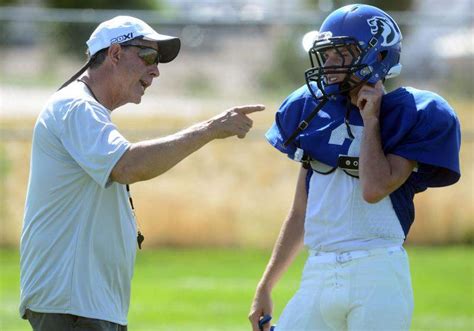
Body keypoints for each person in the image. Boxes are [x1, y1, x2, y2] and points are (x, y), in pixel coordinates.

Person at [19, 15, 264, 331]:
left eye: (158, 60)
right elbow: (128, 166)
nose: (156, 70)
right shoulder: (77, 107)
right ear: (116, 54)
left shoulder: (83, 109)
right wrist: (210, 129)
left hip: (82, 304)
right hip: (73, 304)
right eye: (148, 56)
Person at [249, 4, 460, 331]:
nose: (329, 65)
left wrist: (371, 119)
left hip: (376, 270)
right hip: (318, 269)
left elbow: (374, 188)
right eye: (327, 54)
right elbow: (300, 213)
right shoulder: (311, 110)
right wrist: (266, 285)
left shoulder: (409, 113)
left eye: (340, 55)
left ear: (376, 56)